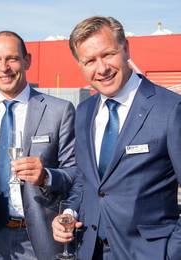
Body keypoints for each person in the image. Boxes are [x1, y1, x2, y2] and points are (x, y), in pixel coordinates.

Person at [52, 16, 181, 260]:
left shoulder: (170, 109)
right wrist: (70, 213)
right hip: (90, 251)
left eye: (108, 54)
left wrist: (171, 253)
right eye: (89, 61)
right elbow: (85, 180)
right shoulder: (84, 112)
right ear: (80, 65)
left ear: (126, 49)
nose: (101, 69)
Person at [0, 31, 76, 260]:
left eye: (12, 58)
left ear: (27, 60)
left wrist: (45, 176)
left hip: (36, 237)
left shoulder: (59, 111)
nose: (4, 67)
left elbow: (75, 173)